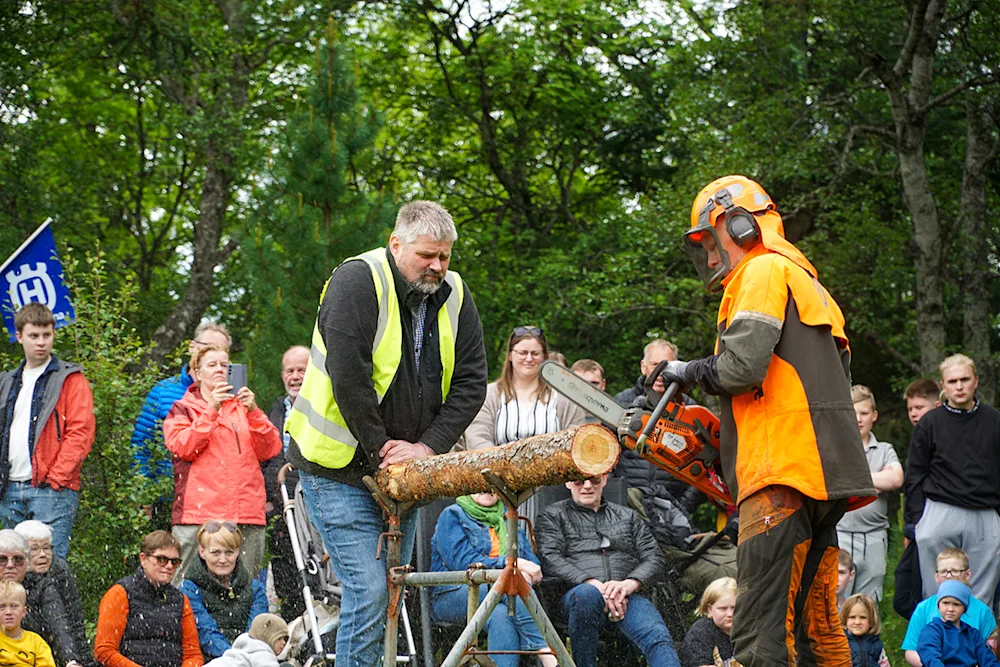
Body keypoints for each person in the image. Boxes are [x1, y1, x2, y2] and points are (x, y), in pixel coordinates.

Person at [660, 175, 875, 666]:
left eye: (713, 243)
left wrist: (685, 370)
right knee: (818, 629)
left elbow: (739, 368)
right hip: (821, 477)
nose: (712, 259)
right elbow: (806, 386)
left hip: (778, 476)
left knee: (759, 631)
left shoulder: (760, 273)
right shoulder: (810, 285)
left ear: (739, 224)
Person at [284, 200, 488, 664]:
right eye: (427, 256)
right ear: (396, 244)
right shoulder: (357, 280)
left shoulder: (455, 294)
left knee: (393, 592)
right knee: (372, 590)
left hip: (407, 471)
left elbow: (473, 380)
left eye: (446, 256)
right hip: (335, 467)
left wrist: (427, 446)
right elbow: (348, 377)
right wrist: (382, 449)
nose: (437, 266)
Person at [535, 474, 681, 667]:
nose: (587, 486)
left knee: (658, 638)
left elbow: (654, 557)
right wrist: (591, 583)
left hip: (626, 597)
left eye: (594, 480)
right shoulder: (552, 515)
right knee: (587, 595)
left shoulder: (628, 516)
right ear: (568, 482)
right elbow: (550, 558)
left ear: (604, 480)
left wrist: (630, 583)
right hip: (577, 597)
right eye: (579, 480)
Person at [164, 344, 281, 581]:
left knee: (245, 590)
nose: (219, 369)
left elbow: (270, 449)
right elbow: (183, 447)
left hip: (246, 512)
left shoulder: (244, 407)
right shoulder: (182, 408)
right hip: (198, 515)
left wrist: (254, 411)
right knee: (187, 589)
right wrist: (212, 409)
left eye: (224, 365)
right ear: (197, 372)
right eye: (212, 365)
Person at [0, 302, 95, 557]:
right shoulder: (6, 380)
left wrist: (56, 480)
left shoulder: (71, 378)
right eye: (33, 336)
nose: (41, 342)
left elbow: (81, 433)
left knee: (50, 566)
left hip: (51, 490)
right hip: (8, 488)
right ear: (19, 337)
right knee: (13, 567)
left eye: (47, 335)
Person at [905, 354, 1000, 605]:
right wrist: (916, 520)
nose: (959, 386)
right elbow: (915, 474)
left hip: (984, 513)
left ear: (976, 381)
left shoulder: (994, 421)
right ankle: (934, 643)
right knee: (936, 595)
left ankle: (977, 644)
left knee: (981, 597)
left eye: (965, 379)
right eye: (952, 381)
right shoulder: (930, 423)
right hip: (939, 511)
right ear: (943, 386)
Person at [465, 326, 587, 520]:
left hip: (552, 491)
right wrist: (499, 470)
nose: (529, 358)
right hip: (500, 488)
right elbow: (477, 436)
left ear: (544, 357)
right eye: (522, 352)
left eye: (535, 353)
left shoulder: (563, 399)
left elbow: (576, 437)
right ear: (511, 355)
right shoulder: (490, 395)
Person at [429, 492, 556, 667]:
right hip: (453, 594)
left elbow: (531, 563)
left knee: (502, 616)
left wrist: (522, 573)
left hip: (500, 598)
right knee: (509, 582)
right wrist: (508, 566)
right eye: (479, 485)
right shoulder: (452, 515)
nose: (487, 490)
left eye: (492, 486)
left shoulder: (507, 516)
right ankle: (545, 651)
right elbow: (462, 562)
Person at [131, 323, 232, 529]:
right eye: (207, 347)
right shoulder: (163, 391)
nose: (211, 354)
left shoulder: (234, 398)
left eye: (220, 350)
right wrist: (143, 491)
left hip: (218, 500)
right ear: (191, 347)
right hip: (167, 495)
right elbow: (141, 443)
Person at [94, 531, 203, 667]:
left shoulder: (181, 600)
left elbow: (193, 655)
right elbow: (104, 651)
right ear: (143, 559)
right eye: (161, 559)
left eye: (175, 562)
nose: (169, 566)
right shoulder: (120, 593)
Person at [836, 385, 903, 602]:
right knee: (835, 598)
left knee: (868, 602)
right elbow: (833, 482)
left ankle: (865, 638)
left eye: (864, 413)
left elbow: (895, 479)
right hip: (840, 533)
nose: (858, 419)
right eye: (853, 413)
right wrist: (875, 480)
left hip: (874, 536)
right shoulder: (836, 448)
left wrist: (853, 480)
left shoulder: (884, 449)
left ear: (874, 416)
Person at [261, 345, 309, 618]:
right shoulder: (277, 408)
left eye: (301, 370)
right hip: (279, 505)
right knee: (285, 573)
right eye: (290, 370)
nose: (295, 376)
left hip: (311, 500)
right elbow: (267, 457)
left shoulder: (322, 404)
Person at [178, 522, 268, 660]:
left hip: (250, 659)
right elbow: (205, 633)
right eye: (215, 552)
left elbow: (256, 632)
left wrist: (242, 659)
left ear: (238, 551)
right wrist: (232, 659)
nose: (223, 559)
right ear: (202, 552)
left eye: (229, 552)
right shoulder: (189, 589)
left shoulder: (255, 588)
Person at [901, 548, 996, 667]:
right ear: (936, 575)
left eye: (955, 571)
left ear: (968, 574)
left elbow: (989, 651)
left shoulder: (981, 614)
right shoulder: (925, 612)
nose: (949, 576)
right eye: (943, 571)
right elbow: (912, 650)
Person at [895, 379, 941, 621]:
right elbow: (911, 487)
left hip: (937, 525)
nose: (914, 413)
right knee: (904, 598)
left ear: (936, 405)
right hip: (915, 529)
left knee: (926, 594)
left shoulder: (943, 441)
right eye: (911, 408)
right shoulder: (916, 441)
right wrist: (908, 529)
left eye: (919, 407)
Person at [13, 521, 90, 666]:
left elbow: (72, 623)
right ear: (20, 553)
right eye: (34, 549)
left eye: (47, 547)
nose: (43, 555)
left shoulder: (59, 570)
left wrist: (80, 661)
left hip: (55, 652)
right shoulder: (9, 574)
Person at [916, 580, 1000, 667]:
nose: (950, 609)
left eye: (956, 604)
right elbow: (930, 657)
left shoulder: (972, 634)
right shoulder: (932, 631)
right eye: (946, 603)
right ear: (938, 605)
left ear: (964, 608)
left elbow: (987, 659)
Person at [678, 577, 735, 667]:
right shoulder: (699, 635)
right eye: (722, 609)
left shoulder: (751, 627)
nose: (730, 614)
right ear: (709, 609)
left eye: (735, 607)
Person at [0, 580, 56, 667]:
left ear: (24, 611)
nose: (8, 612)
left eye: (14, 606)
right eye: (2, 607)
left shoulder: (36, 642)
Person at [203, 614, 288, 667]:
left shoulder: (240, 650)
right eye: (279, 638)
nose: (283, 643)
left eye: (285, 639)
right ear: (266, 637)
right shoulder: (262, 653)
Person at [614, 339, 678, 408]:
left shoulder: (686, 404)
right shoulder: (622, 400)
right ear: (643, 367)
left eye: (666, 366)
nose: (660, 372)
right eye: (655, 365)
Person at [840, 594, 890, 667]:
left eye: (863, 617)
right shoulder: (840, 643)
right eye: (852, 617)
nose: (857, 622)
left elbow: (884, 664)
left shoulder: (876, 644)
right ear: (845, 619)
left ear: (872, 620)